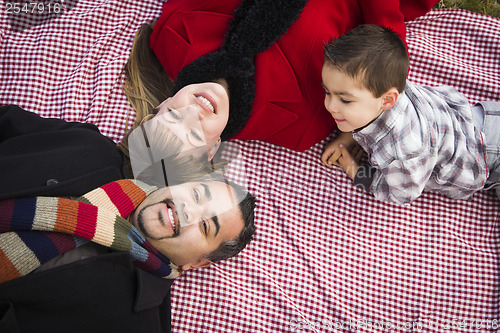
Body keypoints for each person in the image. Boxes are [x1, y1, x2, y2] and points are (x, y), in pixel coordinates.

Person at [124, 0, 439, 152]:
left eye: (172, 116)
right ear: (212, 149)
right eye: (194, 135)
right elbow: (380, 46)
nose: (195, 112)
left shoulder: (171, 35)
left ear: (161, 104)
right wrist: (358, 127)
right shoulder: (300, 125)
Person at [0, 176, 256, 333]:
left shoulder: (134, 324)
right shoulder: (90, 146)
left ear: (198, 262)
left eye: (205, 226)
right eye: (197, 194)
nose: (188, 210)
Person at [320, 24, 500, 205]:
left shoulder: (403, 151)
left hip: (488, 157)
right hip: (485, 119)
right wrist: (350, 135)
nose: (330, 105)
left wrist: (354, 169)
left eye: (345, 100)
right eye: (327, 91)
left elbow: (399, 194)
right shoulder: (384, 84)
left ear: (388, 100)